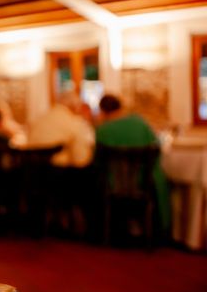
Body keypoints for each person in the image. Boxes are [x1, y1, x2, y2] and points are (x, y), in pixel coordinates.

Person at [95, 94, 170, 236]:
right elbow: (157, 149)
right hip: (144, 183)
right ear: (121, 107)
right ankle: (154, 229)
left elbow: (97, 161)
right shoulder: (139, 123)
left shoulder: (102, 130)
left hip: (113, 185)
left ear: (102, 111)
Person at [26, 91, 94, 168]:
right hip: (60, 174)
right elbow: (81, 160)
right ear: (74, 106)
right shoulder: (73, 122)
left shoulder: (39, 119)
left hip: (33, 173)